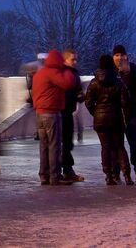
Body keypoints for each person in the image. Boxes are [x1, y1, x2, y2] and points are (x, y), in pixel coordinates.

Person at [31, 49, 75, 185]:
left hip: (39, 113)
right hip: (51, 113)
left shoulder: (39, 73)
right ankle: (55, 176)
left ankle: (44, 175)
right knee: (54, 145)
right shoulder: (53, 72)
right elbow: (68, 83)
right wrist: (67, 69)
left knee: (43, 146)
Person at [85, 54, 131, 185]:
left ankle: (109, 176)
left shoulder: (94, 82)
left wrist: (97, 113)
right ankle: (127, 175)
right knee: (120, 147)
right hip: (116, 118)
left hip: (100, 119)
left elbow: (88, 102)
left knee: (105, 147)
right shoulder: (118, 81)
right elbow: (125, 101)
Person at [113, 44, 136, 182]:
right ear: (113, 57)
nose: (120, 58)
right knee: (117, 145)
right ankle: (116, 173)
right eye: (117, 55)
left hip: (132, 112)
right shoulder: (110, 71)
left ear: (126, 56)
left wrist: (130, 72)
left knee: (135, 144)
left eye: (122, 55)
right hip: (116, 113)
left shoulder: (133, 68)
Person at [61, 49, 85, 182]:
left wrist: (80, 95)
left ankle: (66, 169)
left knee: (67, 142)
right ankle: (67, 170)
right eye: (72, 59)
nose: (75, 62)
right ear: (65, 60)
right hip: (62, 112)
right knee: (65, 143)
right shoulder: (63, 74)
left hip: (68, 111)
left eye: (76, 59)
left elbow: (77, 90)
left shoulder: (74, 74)